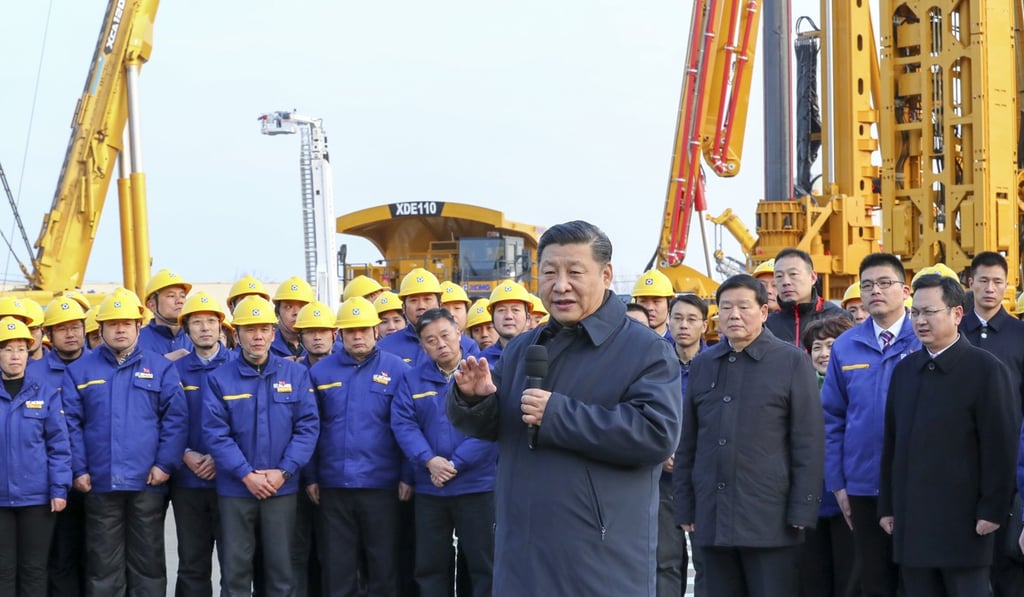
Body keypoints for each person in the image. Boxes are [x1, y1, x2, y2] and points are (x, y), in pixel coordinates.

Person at [447, 220, 681, 595]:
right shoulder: (524, 348)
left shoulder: (646, 350)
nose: (560, 286)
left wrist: (557, 415)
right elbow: (496, 426)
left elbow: (656, 434)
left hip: (596, 560)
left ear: (606, 275)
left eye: (575, 272)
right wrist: (475, 399)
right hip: (520, 554)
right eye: (549, 272)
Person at [674, 274, 824, 597]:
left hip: (770, 519)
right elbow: (689, 443)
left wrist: (803, 508)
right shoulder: (703, 364)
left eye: (744, 307)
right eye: (726, 308)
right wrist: (686, 506)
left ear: (764, 312)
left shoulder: (792, 362)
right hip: (711, 516)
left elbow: (808, 443)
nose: (734, 315)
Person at [880, 274, 1018, 597]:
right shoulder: (905, 371)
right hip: (913, 523)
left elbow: (1001, 447)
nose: (920, 320)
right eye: (915, 312)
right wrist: (887, 505)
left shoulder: (986, 370)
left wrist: (992, 510)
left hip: (965, 525)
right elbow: (891, 444)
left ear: (957, 314)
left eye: (930, 312)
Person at [62, 288, 188, 596]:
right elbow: (70, 425)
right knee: (103, 567)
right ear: (101, 328)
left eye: (127, 323)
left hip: (147, 483)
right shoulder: (80, 371)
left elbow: (175, 420)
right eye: (113, 323)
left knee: (148, 565)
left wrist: (163, 464)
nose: (120, 329)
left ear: (138, 326)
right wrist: (79, 470)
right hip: (99, 484)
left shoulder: (161, 368)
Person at [202, 295, 319, 595]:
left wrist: (284, 471)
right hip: (236, 490)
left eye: (264, 329)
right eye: (249, 329)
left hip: (282, 488)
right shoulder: (219, 379)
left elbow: (307, 428)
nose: (258, 336)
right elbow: (216, 433)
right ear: (236, 333)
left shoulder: (295, 374)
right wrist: (246, 474)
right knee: (236, 572)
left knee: (282, 572)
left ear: (273, 332)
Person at [821, 252, 919, 597]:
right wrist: (838, 483)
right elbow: (832, 418)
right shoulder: (847, 346)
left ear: (905, 290)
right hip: (863, 486)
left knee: (919, 579)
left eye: (884, 283)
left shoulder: (922, 339)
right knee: (875, 581)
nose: (875, 290)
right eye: (867, 285)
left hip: (917, 485)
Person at [306, 296, 410, 597]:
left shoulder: (397, 370)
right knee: (338, 570)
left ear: (376, 330)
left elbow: (406, 427)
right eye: (350, 331)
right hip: (334, 487)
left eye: (363, 329)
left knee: (383, 568)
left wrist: (408, 475)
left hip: (382, 486)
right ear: (339, 334)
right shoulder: (320, 373)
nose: (358, 336)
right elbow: (310, 429)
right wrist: (311, 476)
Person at [392, 308, 497, 597]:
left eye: (445, 335)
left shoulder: (484, 374)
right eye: (430, 340)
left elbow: (492, 424)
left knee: (484, 565)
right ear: (422, 345)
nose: (440, 344)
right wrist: (429, 461)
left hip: (477, 486)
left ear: (459, 334)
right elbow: (403, 424)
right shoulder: (412, 381)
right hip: (431, 489)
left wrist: (455, 463)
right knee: (430, 566)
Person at [959, 251, 1024, 595]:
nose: (990, 288)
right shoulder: (954, 331)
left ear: (1007, 285)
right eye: (983, 280)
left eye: (998, 281)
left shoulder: (1019, 334)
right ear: (970, 283)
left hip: (1011, 458)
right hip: (962, 458)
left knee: (1006, 555)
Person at [0, 317, 71, 595]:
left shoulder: (45, 392)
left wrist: (59, 488)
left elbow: (59, 446)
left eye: (20, 349)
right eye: (7, 349)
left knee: (34, 569)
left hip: (37, 498)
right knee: (3, 570)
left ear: (29, 353)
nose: (15, 356)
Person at [172, 291, 233, 597]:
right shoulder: (175, 372)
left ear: (221, 327)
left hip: (232, 482)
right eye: (197, 322)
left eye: (211, 321)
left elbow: (250, 423)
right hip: (188, 482)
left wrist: (221, 458)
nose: (205, 328)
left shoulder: (237, 365)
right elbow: (166, 419)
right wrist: (184, 454)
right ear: (187, 329)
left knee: (234, 565)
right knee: (192, 564)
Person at [798, 316, 859, 597]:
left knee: (850, 578)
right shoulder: (798, 389)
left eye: (831, 346)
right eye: (817, 347)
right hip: (810, 502)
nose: (823, 353)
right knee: (813, 579)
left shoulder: (856, 386)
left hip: (849, 496)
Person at [34, 295, 90, 597]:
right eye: (62, 328)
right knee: (61, 556)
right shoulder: (34, 375)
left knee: (97, 557)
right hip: (55, 481)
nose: (71, 334)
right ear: (49, 336)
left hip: (96, 478)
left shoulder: (101, 368)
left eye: (76, 327)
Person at [660, 294, 708, 597]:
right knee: (664, 560)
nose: (683, 325)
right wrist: (661, 451)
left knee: (707, 561)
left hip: (703, 477)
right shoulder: (655, 363)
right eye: (677, 318)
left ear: (704, 325)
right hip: (664, 478)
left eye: (691, 319)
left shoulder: (716, 364)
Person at [377, 268, 478, 365]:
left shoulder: (466, 346)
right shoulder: (386, 348)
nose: (421, 306)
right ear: (403, 308)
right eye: (413, 300)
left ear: (440, 304)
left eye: (427, 299)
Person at [768, 248, 851, 344]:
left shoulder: (839, 318)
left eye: (793, 274)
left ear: (813, 277)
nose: (786, 282)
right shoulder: (766, 324)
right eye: (779, 276)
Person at [138, 268, 193, 360]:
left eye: (182, 296)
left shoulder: (197, 336)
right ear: (152, 305)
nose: (179, 301)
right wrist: (162, 361)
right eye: (171, 296)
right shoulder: (136, 340)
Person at [478, 281, 533, 367]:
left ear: (528, 318)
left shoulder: (541, 355)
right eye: (501, 310)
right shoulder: (481, 361)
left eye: (515, 310)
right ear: (492, 319)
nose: (508, 316)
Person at [270, 276, 316, 359]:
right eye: (288, 307)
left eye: (302, 307)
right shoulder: (263, 347)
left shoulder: (331, 348)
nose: (296, 313)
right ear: (277, 312)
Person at [632, 269, 675, 338]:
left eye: (656, 301)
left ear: (669, 305)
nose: (649, 308)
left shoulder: (679, 345)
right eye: (643, 301)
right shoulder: (624, 343)